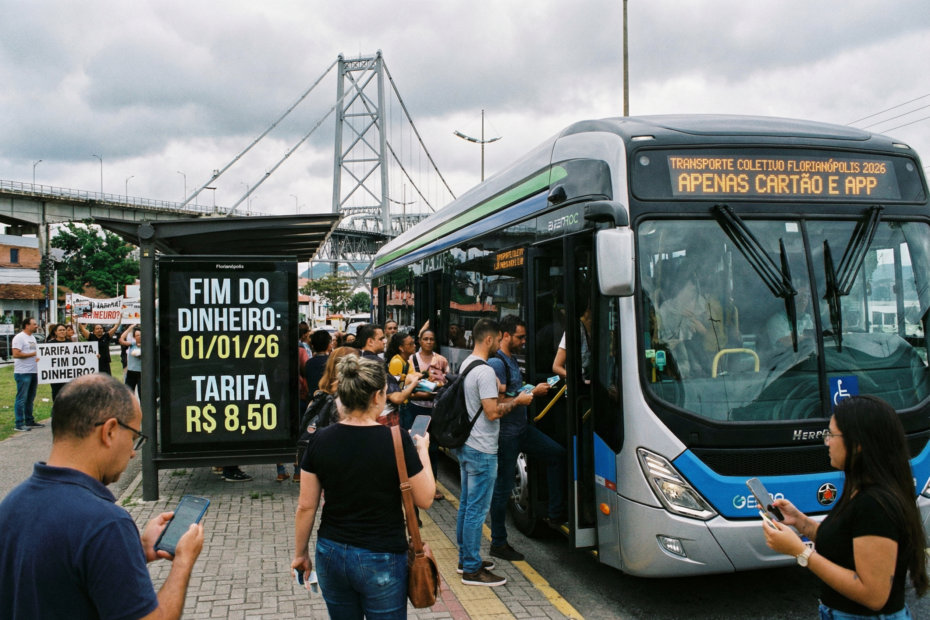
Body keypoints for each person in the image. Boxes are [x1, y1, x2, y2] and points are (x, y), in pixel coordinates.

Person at [0, 374, 205, 619]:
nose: (133, 453)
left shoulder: (11, 505)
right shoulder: (106, 524)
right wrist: (183, 561)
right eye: (133, 438)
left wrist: (138, 550)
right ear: (109, 432)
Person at [292, 356, 435, 620]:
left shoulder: (320, 439)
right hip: (382, 555)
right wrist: (423, 450)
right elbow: (425, 498)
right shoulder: (396, 439)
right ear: (378, 396)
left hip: (331, 551)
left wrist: (301, 554)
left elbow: (306, 506)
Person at [763, 395, 928, 618]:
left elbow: (873, 595)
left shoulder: (875, 504)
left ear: (858, 444)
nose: (827, 442)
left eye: (831, 435)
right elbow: (842, 543)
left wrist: (800, 552)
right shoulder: (860, 489)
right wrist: (799, 521)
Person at [456, 318, 533, 587]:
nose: (500, 344)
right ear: (489, 339)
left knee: (466, 505)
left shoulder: (468, 364)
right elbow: (492, 412)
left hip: (467, 444)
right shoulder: (486, 370)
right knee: (477, 511)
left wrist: (503, 389)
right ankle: (472, 568)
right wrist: (518, 400)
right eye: (498, 339)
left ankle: (464, 559)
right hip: (482, 448)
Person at [488, 315, 564, 562]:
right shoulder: (497, 363)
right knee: (502, 490)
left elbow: (514, 391)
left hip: (521, 430)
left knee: (557, 454)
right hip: (507, 436)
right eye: (520, 337)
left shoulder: (511, 359)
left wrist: (534, 388)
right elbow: (498, 402)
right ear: (505, 335)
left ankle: (555, 513)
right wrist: (529, 393)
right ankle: (498, 543)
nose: (523, 341)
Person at [408, 328, 449, 499]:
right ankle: (415, 484)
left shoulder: (441, 360)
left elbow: (448, 382)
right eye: (425, 339)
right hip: (417, 409)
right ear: (419, 341)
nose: (429, 342)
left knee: (433, 448)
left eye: (431, 339)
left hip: (435, 409)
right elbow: (408, 385)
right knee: (416, 446)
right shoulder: (412, 360)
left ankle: (433, 485)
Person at [279, 325, 312, 482]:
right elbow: (306, 370)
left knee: (282, 431)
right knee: (299, 431)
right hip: (298, 394)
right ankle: (298, 471)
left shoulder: (274, 349)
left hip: (280, 394)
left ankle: (280, 471)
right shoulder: (300, 350)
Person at [385, 332, 423, 430]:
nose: (414, 346)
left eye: (414, 343)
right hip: (401, 407)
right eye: (410, 344)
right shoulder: (397, 362)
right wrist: (411, 380)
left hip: (406, 404)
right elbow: (394, 388)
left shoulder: (405, 361)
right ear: (401, 348)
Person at [12, 317, 42, 432]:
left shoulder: (33, 338)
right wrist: (33, 354)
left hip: (33, 371)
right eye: (34, 324)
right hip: (23, 372)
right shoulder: (19, 337)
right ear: (27, 325)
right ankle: (19, 423)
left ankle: (29, 420)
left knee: (30, 398)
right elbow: (16, 354)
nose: (36, 326)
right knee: (22, 398)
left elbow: (33, 353)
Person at [46, 323, 72, 401]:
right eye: (60, 330)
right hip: (55, 373)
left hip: (67, 372)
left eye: (64, 330)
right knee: (56, 392)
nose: (62, 331)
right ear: (55, 332)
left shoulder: (70, 343)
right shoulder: (50, 343)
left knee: (68, 392)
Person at [305, 329, 333, 396]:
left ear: (312, 345)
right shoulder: (332, 361)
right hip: (329, 397)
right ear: (328, 345)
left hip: (314, 397)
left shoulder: (309, 363)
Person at [120, 324, 142, 395]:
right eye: (137, 335)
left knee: (142, 393)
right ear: (134, 337)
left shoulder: (147, 345)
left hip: (142, 373)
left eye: (141, 335)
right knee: (129, 393)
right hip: (131, 372)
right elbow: (121, 340)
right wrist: (130, 328)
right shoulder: (132, 344)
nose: (139, 337)